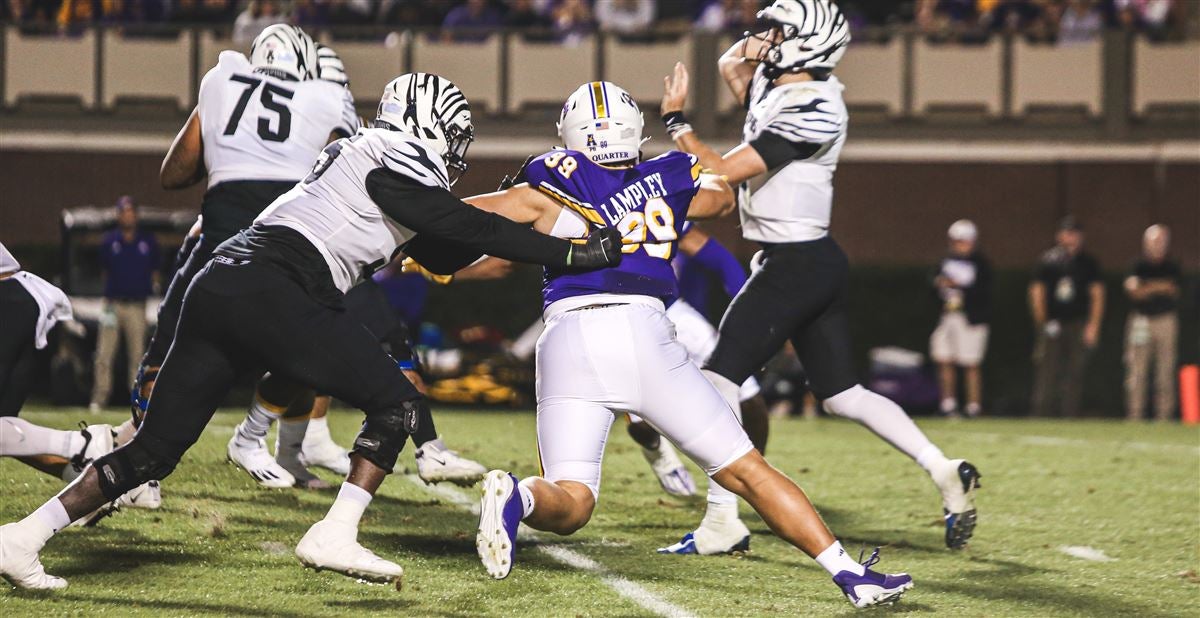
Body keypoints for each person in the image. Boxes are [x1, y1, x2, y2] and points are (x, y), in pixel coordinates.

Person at [0, 71, 622, 591]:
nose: (457, 151)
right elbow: (470, 229)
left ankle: (22, 538)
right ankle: (335, 532)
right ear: (422, 123)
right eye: (454, 136)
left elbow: (441, 250)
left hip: (223, 283)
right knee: (397, 401)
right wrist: (570, 253)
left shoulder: (368, 161)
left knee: (154, 451)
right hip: (279, 281)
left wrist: (516, 227)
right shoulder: (385, 155)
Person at [466, 80, 913, 609]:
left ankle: (519, 496)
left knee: (573, 500)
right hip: (642, 330)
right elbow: (721, 196)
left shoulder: (546, 179)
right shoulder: (667, 178)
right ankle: (848, 573)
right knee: (747, 470)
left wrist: (412, 246)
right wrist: (681, 153)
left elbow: (468, 216)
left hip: (565, 336)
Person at [656, 0, 980, 554]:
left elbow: (724, 172)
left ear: (808, 44)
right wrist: (757, 44)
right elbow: (734, 65)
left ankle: (722, 518)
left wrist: (676, 123)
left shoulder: (816, 106)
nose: (769, 38)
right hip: (808, 260)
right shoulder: (781, 87)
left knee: (718, 383)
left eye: (781, 31)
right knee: (843, 395)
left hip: (795, 262)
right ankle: (943, 468)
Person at [129, 25, 357, 487]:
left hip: (219, 245)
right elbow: (343, 175)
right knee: (303, 356)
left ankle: (140, 478)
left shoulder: (222, 79)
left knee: (162, 362)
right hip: (290, 250)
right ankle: (271, 445)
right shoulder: (326, 97)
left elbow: (174, 173)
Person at [89, 197, 160, 413]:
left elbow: (155, 273)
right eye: (123, 212)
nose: (127, 216)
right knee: (104, 354)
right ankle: (99, 399)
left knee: (137, 356)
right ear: (119, 215)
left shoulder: (148, 242)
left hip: (137, 306)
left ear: (136, 216)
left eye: (131, 212)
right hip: (113, 305)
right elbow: (104, 272)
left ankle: (136, 400)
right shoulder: (109, 241)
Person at [1029, 215, 1104, 417]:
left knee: (1075, 370)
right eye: (1067, 233)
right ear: (1059, 235)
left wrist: (1093, 325)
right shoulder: (1048, 260)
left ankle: (1069, 413)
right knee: (1047, 369)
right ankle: (1042, 413)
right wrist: (1043, 323)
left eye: (1075, 233)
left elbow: (1097, 295)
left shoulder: (1088, 263)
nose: (1071, 238)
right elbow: (1037, 293)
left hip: (1077, 322)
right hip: (1053, 322)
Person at [929, 219, 992, 418]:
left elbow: (985, 292)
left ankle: (973, 407)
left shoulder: (981, 264)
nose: (959, 245)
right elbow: (932, 283)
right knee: (944, 358)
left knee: (970, 362)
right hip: (948, 316)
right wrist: (939, 284)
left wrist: (959, 286)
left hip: (970, 318)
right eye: (956, 241)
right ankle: (948, 404)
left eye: (963, 241)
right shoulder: (945, 260)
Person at [1123, 224, 1181, 421]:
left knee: (1165, 371)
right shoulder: (1137, 265)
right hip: (1141, 321)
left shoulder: (1172, 266)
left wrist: (1147, 286)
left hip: (1165, 320)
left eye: (1162, 240)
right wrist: (1160, 286)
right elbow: (1134, 292)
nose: (1158, 244)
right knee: (1137, 371)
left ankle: (1164, 417)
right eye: (1154, 240)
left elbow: (1174, 289)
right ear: (1145, 242)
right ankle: (1135, 416)